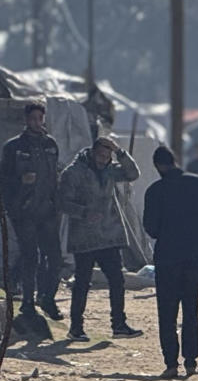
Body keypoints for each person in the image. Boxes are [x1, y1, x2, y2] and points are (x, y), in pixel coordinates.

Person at [142, 145, 198, 378]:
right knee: (191, 309)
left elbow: (151, 228)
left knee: (167, 311)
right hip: (195, 257)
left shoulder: (155, 190)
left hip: (167, 258)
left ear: (157, 166)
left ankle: (171, 363)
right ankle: (191, 361)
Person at [58, 135, 143, 342]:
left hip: (108, 235)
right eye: (101, 155)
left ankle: (119, 324)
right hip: (84, 237)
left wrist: (120, 152)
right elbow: (62, 202)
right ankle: (76, 327)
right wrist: (84, 212)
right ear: (93, 152)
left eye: (107, 156)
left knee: (116, 279)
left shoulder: (111, 170)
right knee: (82, 282)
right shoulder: (74, 172)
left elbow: (133, 174)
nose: (103, 160)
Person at [0, 101, 63, 322]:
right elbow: (2, 179)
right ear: (26, 120)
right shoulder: (14, 147)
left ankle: (48, 298)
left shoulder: (50, 145)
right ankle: (27, 301)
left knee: (54, 259)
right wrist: (19, 182)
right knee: (29, 256)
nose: (36, 122)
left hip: (48, 210)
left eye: (39, 118)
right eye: (32, 118)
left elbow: (55, 176)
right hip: (24, 211)